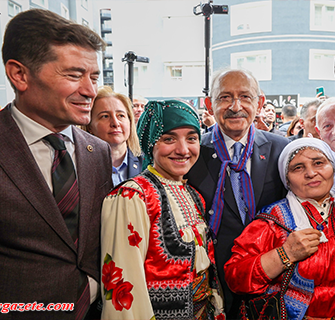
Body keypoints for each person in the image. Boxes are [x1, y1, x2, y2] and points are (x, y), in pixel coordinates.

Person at [0, 9, 112, 319]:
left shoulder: (97, 150)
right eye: (74, 75)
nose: (90, 90)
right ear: (19, 75)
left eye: (94, 77)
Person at [100, 100, 224, 320]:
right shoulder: (133, 196)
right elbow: (124, 285)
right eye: (169, 139)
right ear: (150, 143)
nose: (183, 149)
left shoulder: (192, 194)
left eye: (192, 138)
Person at [225, 138, 335, 319]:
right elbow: (236, 278)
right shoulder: (274, 219)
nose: (311, 173)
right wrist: (284, 254)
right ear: (286, 178)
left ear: (333, 167)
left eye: (319, 163)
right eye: (298, 168)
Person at [185, 69, 289, 317]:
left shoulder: (282, 150)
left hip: (270, 279)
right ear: (209, 105)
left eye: (245, 96)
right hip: (213, 282)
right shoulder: (193, 152)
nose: (235, 106)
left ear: (259, 103)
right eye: (224, 97)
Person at [85, 86, 143, 186]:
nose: (115, 123)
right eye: (105, 116)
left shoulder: (147, 164)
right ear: (90, 126)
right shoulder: (81, 167)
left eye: (121, 115)